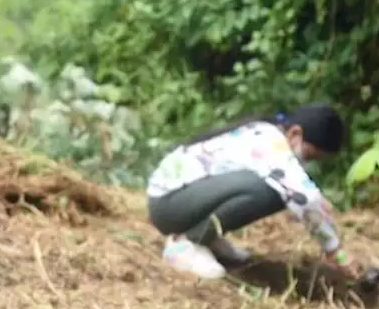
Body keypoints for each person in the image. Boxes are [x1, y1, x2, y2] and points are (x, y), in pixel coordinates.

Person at [146, 104, 362, 281]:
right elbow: (304, 198)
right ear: (295, 133)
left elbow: (303, 191)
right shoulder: (271, 143)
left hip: (182, 198)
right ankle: (185, 244)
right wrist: (335, 250)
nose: (308, 162)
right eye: (310, 155)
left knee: (279, 189)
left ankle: (207, 236)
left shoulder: (269, 134)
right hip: (168, 204)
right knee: (271, 190)